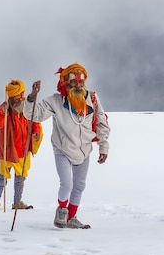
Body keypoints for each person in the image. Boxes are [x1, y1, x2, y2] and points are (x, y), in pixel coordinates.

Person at [25, 63, 110, 229]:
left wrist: (103, 147)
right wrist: (32, 98)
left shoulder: (92, 99)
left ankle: (72, 218)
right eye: (73, 82)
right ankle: (62, 210)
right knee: (67, 184)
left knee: (79, 186)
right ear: (65, 82)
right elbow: (34, 114)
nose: (78, 85)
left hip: (84, 150)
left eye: (81, 82)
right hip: (62, 149)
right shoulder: (56, 101)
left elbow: (101, 123)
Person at [0, 79, 43, 210]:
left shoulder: (27, 108)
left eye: (21, 95)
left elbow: (35, 121)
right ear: (11, 96)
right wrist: (3, 113)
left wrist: (36, 132)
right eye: (16, 96)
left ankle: (17, 203)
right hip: (7, 150)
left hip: (23, 150)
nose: (19, 98)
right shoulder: (4, 108)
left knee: (20, 179)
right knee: (2, 177)